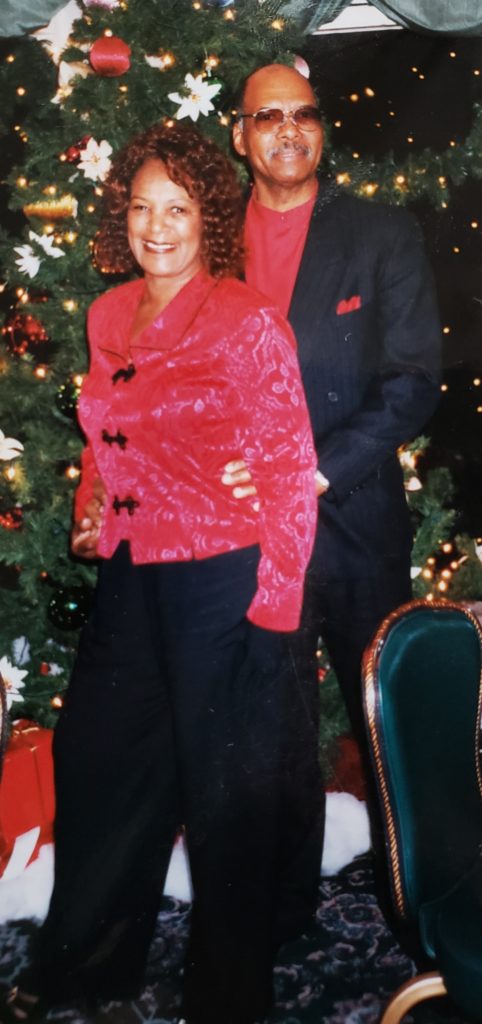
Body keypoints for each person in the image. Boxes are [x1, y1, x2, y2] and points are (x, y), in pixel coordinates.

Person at [3, 122, 317, 1024]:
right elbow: (110, 433)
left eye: (177, 209)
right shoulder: (109, 314)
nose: (157, 227)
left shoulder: (246, 320)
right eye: (142, 208)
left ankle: (227, 994)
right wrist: (91, 506)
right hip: (134, 570)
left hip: (224, 575)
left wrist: (275, 607)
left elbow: (289, 469)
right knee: (98, 760)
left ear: (208, 217)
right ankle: (87, 966)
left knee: (225, 792)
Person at [228, 63, 441, 829]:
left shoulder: (381, 232)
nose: (289, 130)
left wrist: (312, 472)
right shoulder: (207, 237)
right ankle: (282, 894)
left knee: (395, 733)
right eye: (268, 116)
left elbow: (414, 379)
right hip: (243, 532)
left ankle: (422, 884)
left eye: (305, 114)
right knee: (266, 740)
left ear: (321, 128)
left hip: (354, 523)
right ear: (240, 135)